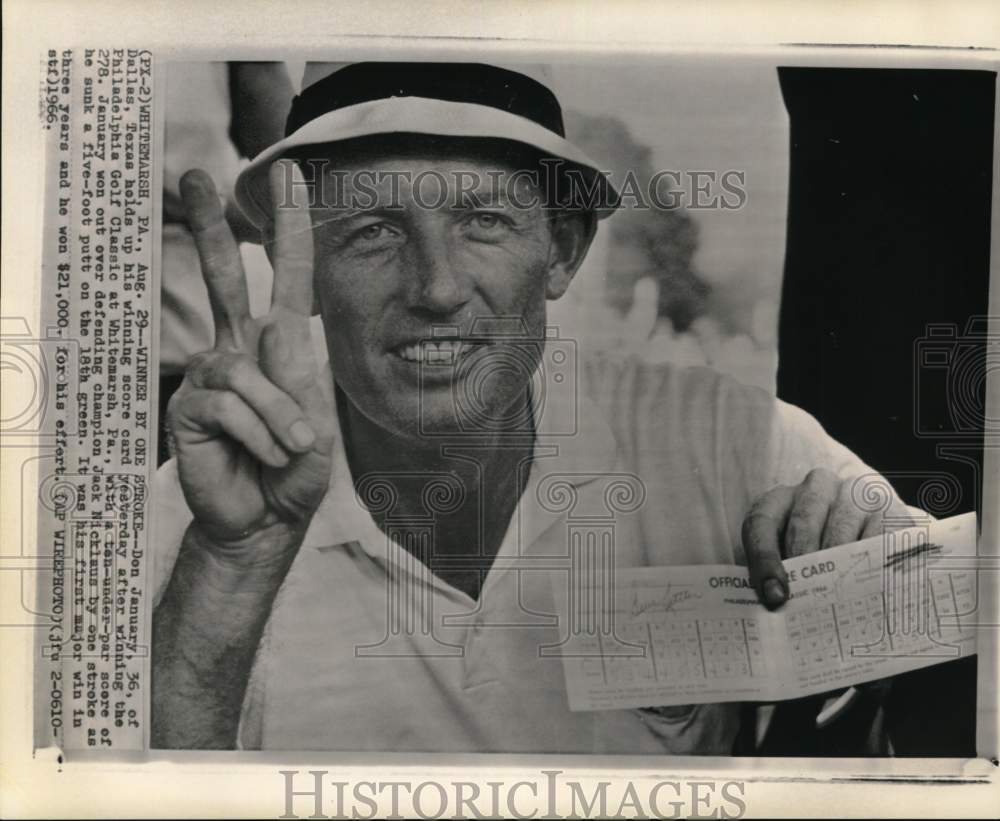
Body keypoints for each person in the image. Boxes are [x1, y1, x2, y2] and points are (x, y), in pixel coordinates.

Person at [151, 61, 914, 753]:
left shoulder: (724, 440)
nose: (437, 288)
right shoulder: (198, 521)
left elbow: (948, 655)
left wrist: (869, 596)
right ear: (304, 263)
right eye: (372, 231)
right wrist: (232, 567)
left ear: (561, 249)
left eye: (483, 222)